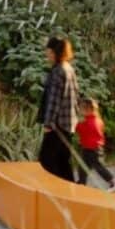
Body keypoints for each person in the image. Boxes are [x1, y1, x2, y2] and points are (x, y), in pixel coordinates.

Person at [38, 35, 79, 181]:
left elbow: (54, 100)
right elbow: (75, 97)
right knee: (63, 162)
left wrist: (48, 124)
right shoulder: (69, 69)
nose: (47, 54)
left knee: (46, 160)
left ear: (55, 52)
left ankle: (55, 194)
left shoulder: (57, 71)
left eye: (48, 51)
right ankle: (71, 194)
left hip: (57, 125)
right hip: (69, 123)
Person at [75, 98, 115, 192]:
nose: (79, 111)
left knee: (98, 167)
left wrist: (75, 124)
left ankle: (114, 182)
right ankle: (81, 183)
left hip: (92, 149)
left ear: (88, 109)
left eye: (81, 109)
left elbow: (79, 129)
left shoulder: (89, 122)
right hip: (90, 149)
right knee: (83, 166)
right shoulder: (97, 120)